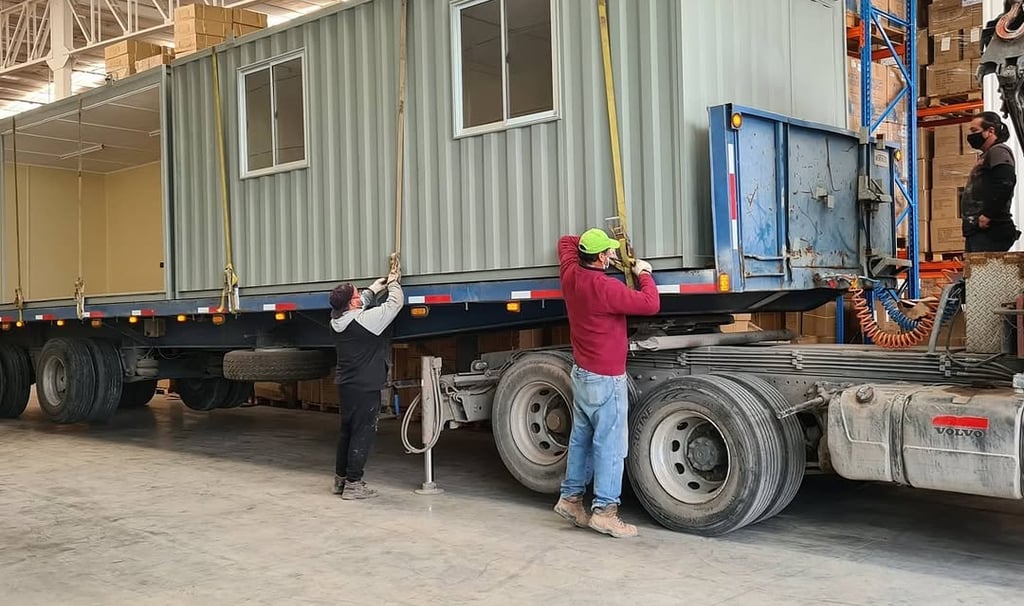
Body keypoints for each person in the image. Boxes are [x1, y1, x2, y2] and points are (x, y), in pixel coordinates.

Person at [552, 228, 660, 538]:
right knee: (610, 446)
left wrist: (593, 245)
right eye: (608, 252)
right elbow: (650, 304)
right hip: (605, 377)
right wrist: (644, 274)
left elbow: (566, 242)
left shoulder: (571, 273)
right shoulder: (604, 286)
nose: (612, 254)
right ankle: (605, 512)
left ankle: (571, 500)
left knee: (582, 439)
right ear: (600, 257)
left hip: (583, 373)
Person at [328, 261, 403, 499]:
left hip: (347, 386)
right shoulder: (365, 322)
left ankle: (341, 480)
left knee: (347, 432)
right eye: (357, 294)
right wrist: (393, 284)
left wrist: (373, 289)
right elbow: (394, 305)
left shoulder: (335, 321)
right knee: (363, 433)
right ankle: (354, 484)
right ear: (352, 302)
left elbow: (357, 308)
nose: (360, 295)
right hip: (365, 386)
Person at [961, 111, 1020, 253]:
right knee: (976, 272)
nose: (971, 135)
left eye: (975, 130)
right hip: (979, 230)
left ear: (990, 131)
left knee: (983, 272)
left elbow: (1006, 182)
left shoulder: (998, 151)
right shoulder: (988, 154)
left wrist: (988, 214)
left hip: (989, 231)